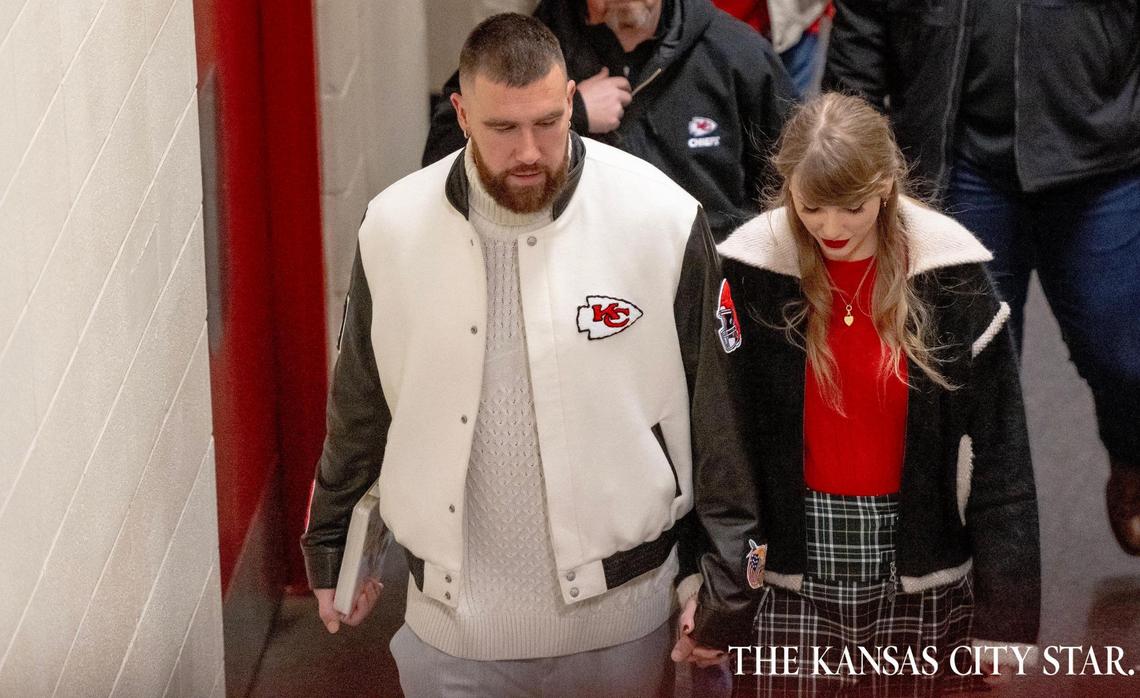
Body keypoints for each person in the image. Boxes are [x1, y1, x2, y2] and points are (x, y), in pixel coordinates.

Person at [301, 13, 721, 697]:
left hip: (622, 625)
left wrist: (722, 574)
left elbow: (717, 416)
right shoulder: (394, 228)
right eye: (503, 128)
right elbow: (362, 405)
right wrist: (332, 549)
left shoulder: (661, 219)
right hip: (452, 635)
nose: (530, 150)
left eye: (550, 121)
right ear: (462, 113)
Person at [672, 93, 1041, 695]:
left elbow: (1001, 462)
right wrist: (709, 587)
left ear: (888, 185)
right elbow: (719, 445)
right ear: (787, 186)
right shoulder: (748, 276)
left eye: (853, 207)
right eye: (811, 207)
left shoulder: (950, 280)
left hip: (925, 577)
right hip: (783, 578)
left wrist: (1006, 621)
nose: (831, 228)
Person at [824, 0, 1140, 555]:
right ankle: (987, 551)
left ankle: (1134, 457)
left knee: (1125, 354)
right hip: (961, 159)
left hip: (1106, 160)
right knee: (968, 372)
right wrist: (846, 161)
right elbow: (863, 32)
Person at [422, 0, 797, 240]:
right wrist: (569, 116)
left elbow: (793, 185)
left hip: (710, 280)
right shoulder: (530, 50)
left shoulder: (735, 53)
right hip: (571, 286)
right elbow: (439, 162)